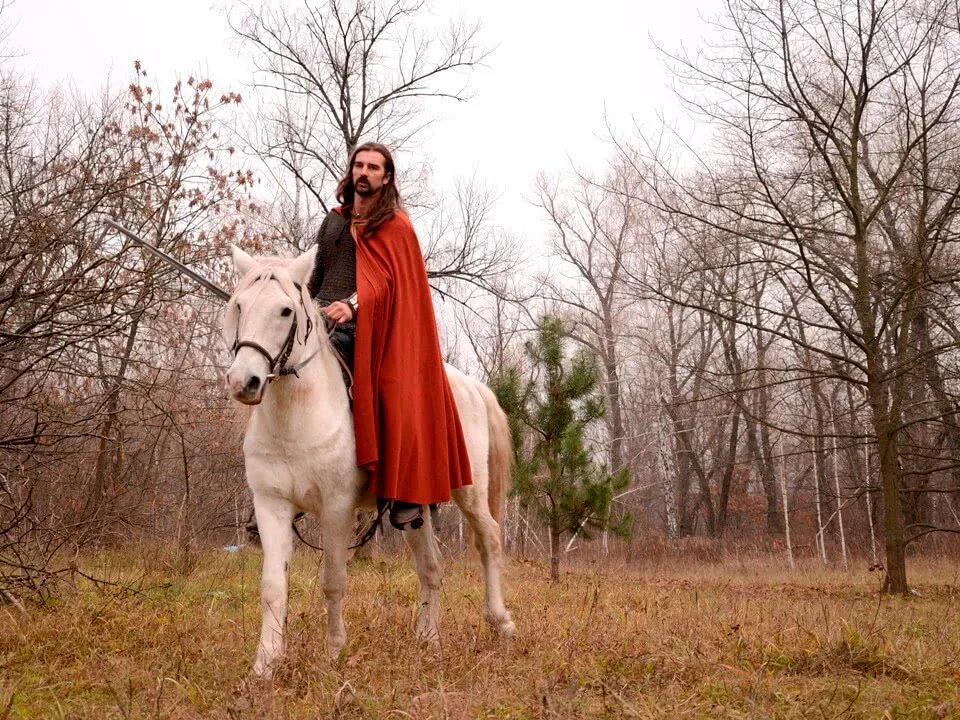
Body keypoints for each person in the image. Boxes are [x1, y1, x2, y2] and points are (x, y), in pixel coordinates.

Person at [327, 142, 472, 531]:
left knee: (393, 389)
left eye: (373, 167)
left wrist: (353, 306)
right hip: (328, 323)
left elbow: (390, 284)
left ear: (386, 177)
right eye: (359, 165)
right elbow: (317, 271)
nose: (364, 172)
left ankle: (404, 490)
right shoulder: (336, 220)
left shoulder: (396, 226)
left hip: (381, 331)